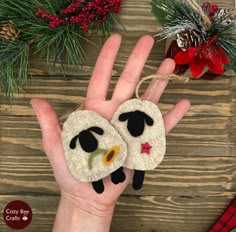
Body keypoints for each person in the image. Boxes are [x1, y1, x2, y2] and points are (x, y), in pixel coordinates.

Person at [30, 34, 191, 232]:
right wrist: (82, 205)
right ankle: (106, 175)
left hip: (114, 141)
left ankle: (115, 172)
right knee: (106, 162)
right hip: (98, 145)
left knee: (125, 160)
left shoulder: (117, 125)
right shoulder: (89, 132)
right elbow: (81, 143)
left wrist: (84, 207)